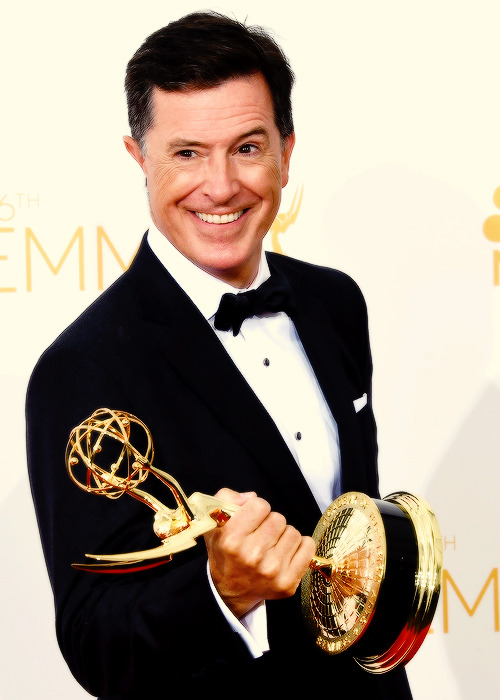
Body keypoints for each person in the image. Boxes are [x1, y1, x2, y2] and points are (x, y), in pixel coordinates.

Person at [27, 11, 412, 699]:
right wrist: (220, 593)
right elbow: (95, 641)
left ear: (287, 151)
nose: (221, 186)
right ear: (138, 157)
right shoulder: (80, 369)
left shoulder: (335, 303)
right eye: (186, 153)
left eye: (246, 147)